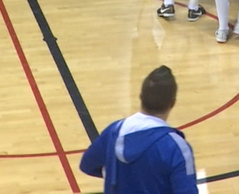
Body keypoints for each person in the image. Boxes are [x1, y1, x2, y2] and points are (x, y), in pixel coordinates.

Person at [80, 66, 198, 194]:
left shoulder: (114, 131)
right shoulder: (176, 148)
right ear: (172, 103)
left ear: (141, 97)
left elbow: (87, 165)